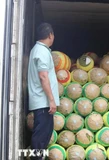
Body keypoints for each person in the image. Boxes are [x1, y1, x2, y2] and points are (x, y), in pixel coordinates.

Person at [28, 23, 59, 160]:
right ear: (50, 35)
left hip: (41, 101)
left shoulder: (37, 50)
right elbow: (43, 76)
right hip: (43, 102)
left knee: (43, 136)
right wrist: (51, 100)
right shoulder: (42, 51)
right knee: (40, 138)